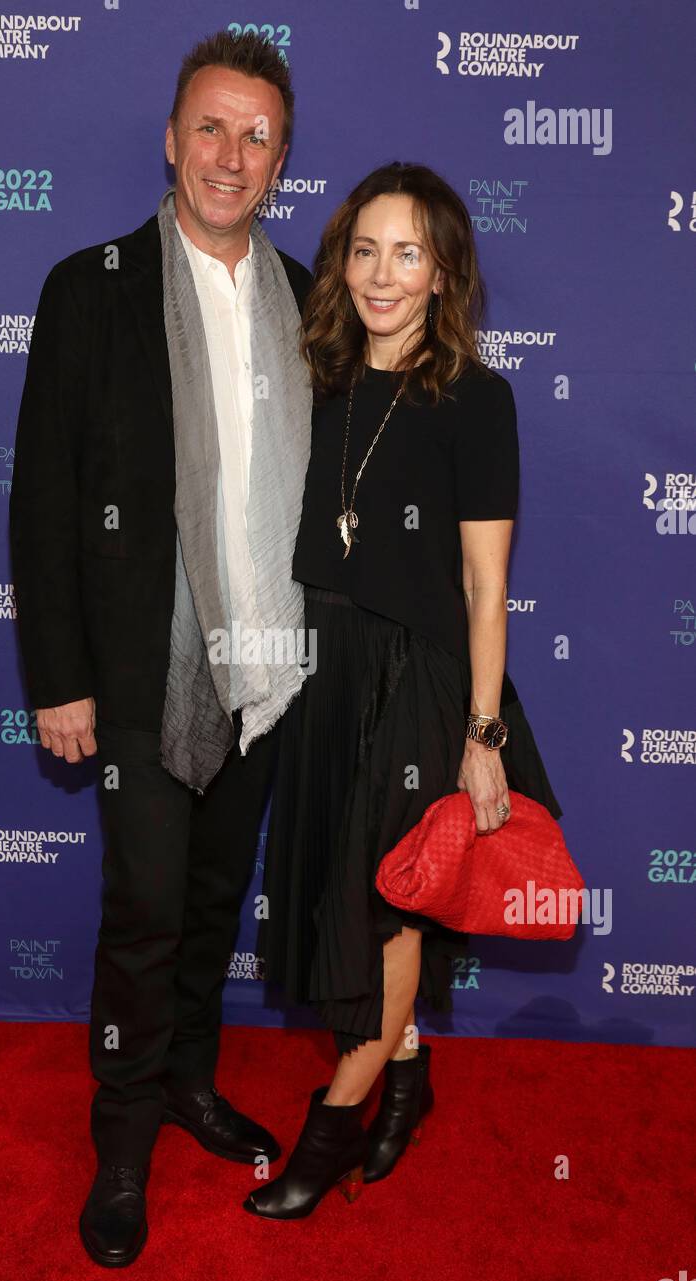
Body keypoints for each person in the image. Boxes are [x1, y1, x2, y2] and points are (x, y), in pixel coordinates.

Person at [9, 30, 313, 1266]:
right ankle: (122, 1139)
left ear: (281, 158)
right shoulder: (90, 287)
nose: (228, 155)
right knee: (139, 912)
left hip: (265, 662)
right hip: (140, 665)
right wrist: (60, 678)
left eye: (256, 135)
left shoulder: (306, 298)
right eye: (210, 127)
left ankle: (189, 1078)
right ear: (170, 137)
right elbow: (42, 496)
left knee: (206, 900)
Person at [244, 162, 564, 1220]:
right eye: (365, 249)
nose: (382, 274)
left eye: (408, 252)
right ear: (341, 260)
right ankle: (409, 1078)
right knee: (352, 899)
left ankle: (325, 1137)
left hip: (419, 686)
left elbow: (484, 586)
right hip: (327, 676)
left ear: (442, 273)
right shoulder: (321, 380)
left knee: (382, 908)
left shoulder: (475, 398)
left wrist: (481, 736)